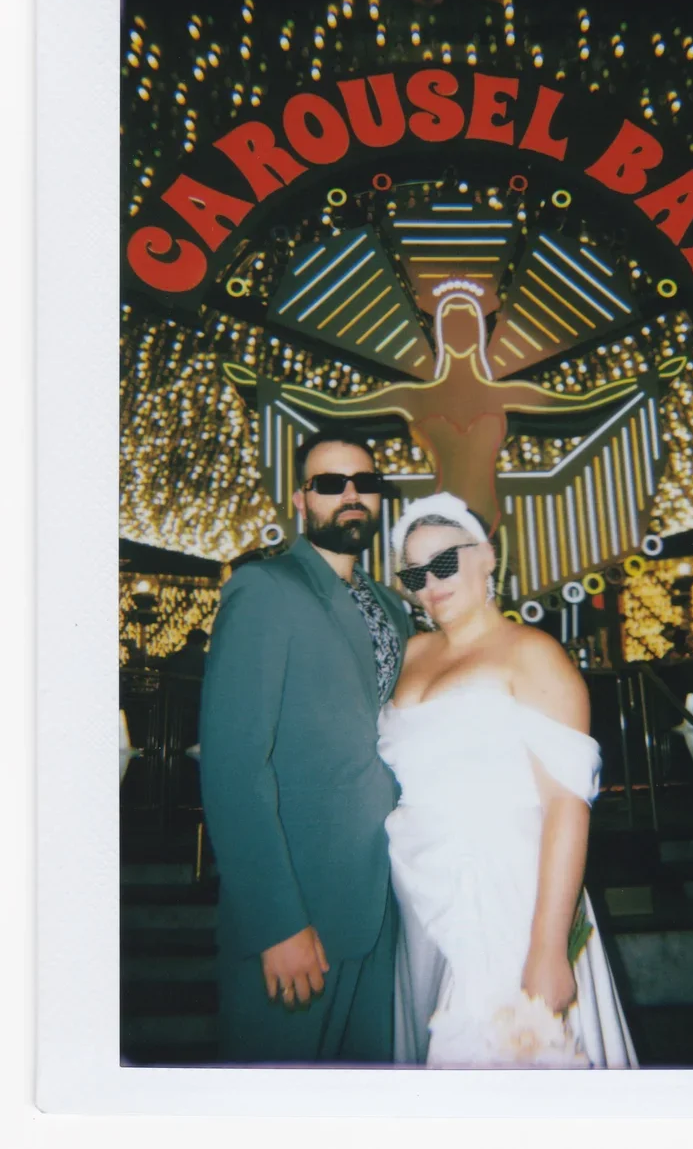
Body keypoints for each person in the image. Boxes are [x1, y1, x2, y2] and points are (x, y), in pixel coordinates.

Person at [376, 492, 637, 1068]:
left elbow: (567, 806)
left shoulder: (533, 654)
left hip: (508, 893)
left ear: (487, 557)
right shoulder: (413, 652)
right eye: (415, 573)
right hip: (421, 890)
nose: (429, 584)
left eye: (444, 563)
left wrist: (547, 948)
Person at [199, 423, 412, 1063]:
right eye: (329, 483)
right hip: (300, 915)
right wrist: (277, 921)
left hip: (383, 908)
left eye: (364, 483)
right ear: (301, 500)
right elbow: (235, 770)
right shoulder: (264, 590)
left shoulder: (392, 608)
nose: (350, 495)